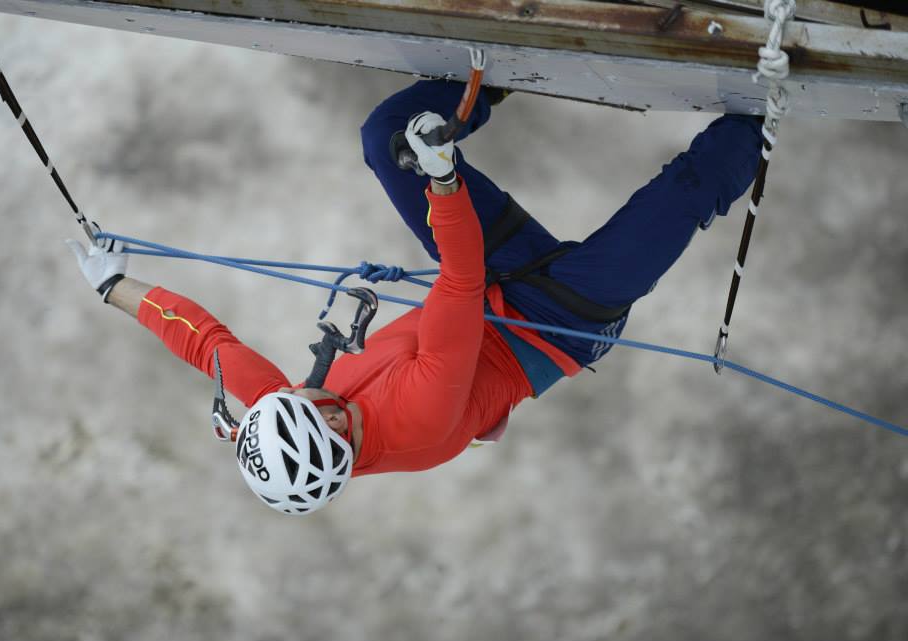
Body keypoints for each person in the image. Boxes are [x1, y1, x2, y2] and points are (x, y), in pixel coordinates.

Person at [67, 80, 763, 515]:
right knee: (687, 188)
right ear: (336, 431)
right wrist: (442, 180)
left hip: (490, 281)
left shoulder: (294, 417)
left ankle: (487, 85)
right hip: (561, 322)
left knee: (384, 138)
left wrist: (112, 285)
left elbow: (208, 345)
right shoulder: (420, 420)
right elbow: (458, 278)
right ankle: (765, 106)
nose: (295, 387)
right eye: (305, 400)